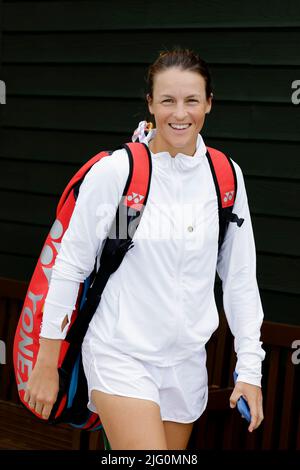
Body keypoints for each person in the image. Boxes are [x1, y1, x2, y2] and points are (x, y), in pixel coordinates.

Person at [23, 47, 265, 450]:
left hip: (186, 363)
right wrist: (47, 363)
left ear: (209, 102)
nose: (179, 113)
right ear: (150, 103)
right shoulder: (120, 172)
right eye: (167, 100)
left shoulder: (225, 177)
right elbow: (71, 267)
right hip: (120, 353)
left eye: (191, 100)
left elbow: (239, 279)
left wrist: (250, 372)